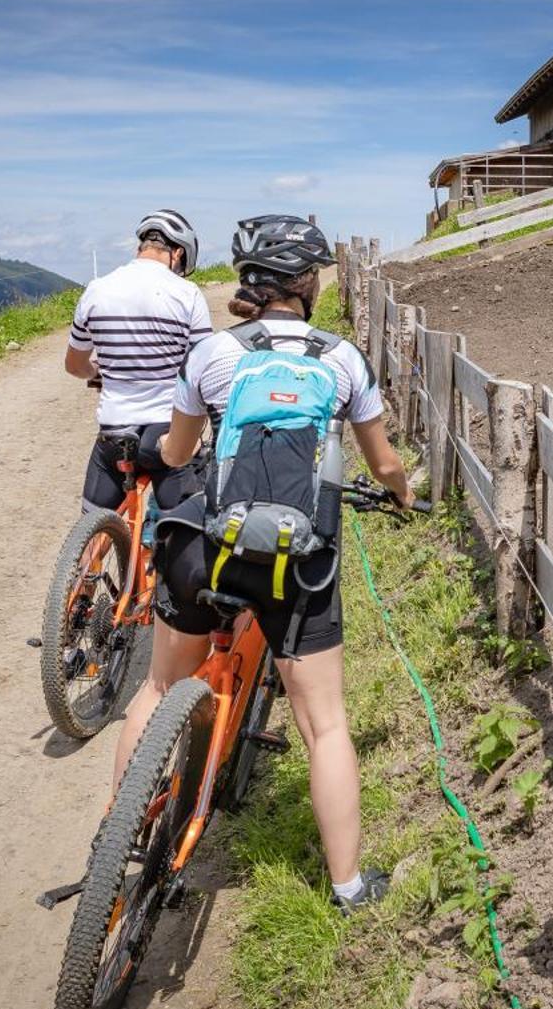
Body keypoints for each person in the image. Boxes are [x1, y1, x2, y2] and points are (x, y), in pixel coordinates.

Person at [132, 214, 412, 913]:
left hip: (210, 547)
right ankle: (348, 887)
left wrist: (174, 458)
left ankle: (122, 837)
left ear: (252, 283)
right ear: (308, 283)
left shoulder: (212, 355)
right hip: (297, 562)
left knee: (159, 685)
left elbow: (174, 451)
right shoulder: (343, 359)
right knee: (325, 724)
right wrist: (402, 492)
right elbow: (384, 462)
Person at [63, 209, 210, 511]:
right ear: (178, 253)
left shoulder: (96, 290)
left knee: (92, 529)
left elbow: (74, 365)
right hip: (168, 433)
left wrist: (97, 371)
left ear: (139, 248)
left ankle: (86, 552)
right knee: (187, 526)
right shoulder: (187, 293)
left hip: (115, 431)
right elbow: (203, 367)